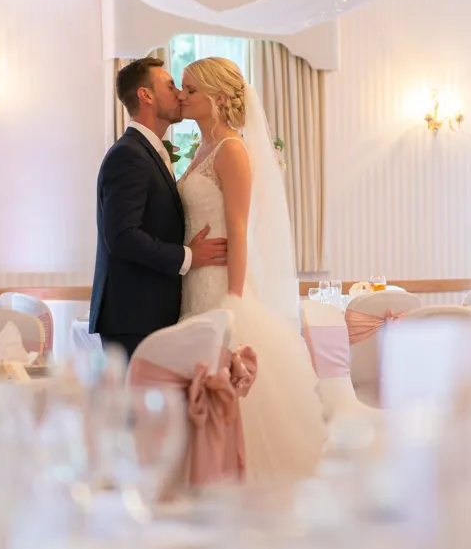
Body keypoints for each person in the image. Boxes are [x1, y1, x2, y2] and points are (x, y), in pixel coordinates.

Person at [177, 57, 326, 482]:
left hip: (221, 283)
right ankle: (208, 476)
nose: (183, 98)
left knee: (229, 385)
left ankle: (240, 479)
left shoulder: (232, 149)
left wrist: (235, 300)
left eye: (191, 91)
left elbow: (239, 230)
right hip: (194, 279)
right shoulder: (201, 149)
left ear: (219, 98)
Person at [89, 57, 227, 359]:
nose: (179, 94)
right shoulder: (129, 155)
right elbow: (123, 236)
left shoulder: (147, 151)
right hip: (134, 316)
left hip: (148, 313)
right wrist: (190, 255)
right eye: (170, 85)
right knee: (139, 407)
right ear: (146, 95)